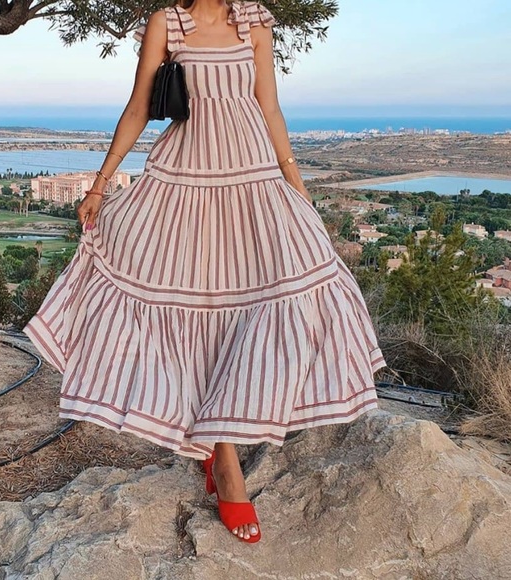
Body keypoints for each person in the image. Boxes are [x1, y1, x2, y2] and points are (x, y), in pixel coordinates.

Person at [24, 0, 386, 544]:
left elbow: (269, 107)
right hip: (183, 182)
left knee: (277, 293)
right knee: (199, 309)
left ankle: (218, 443)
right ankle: (225, 461)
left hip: (251, 180)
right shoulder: (167, 23)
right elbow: (139, 107)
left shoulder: (255, 22)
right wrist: (100, 184)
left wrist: (298, 188)